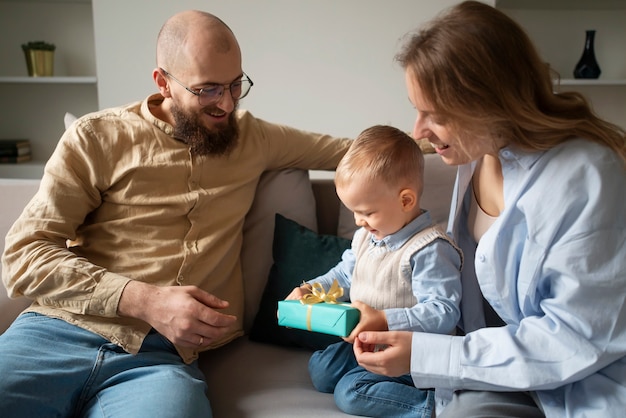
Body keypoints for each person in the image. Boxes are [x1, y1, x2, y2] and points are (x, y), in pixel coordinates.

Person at [0, 10, 351, 417]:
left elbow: (356, 151)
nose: (227, 103)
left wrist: (437, 131)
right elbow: (24, 256)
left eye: (236, 84)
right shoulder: (96, 137)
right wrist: (145, 300)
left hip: (158, 362)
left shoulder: (255, 137)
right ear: (163, 82)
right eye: (208, 90)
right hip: (54, 334)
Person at [352, 2, 626, 418]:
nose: (419, 132)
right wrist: (398, 325)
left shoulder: (585, 176)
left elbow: (572, 338)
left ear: (489, 104)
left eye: (436, 115)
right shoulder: (479, 153)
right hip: (497, 368)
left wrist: (429, 354)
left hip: (578, 380)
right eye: (417, 109)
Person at [286, 125, 463, 418]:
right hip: (366, 342)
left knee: (350, 393)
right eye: (354, 212)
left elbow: (443, 312)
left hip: (406, 352)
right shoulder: (368, 236)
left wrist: (384, 320)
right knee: (321, 370)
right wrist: (310, 289)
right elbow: (343, 275)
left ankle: (430, 406)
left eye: (367, 213)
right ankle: (367, 373)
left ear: (406, 200)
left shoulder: (430, 248)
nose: (358, 221)